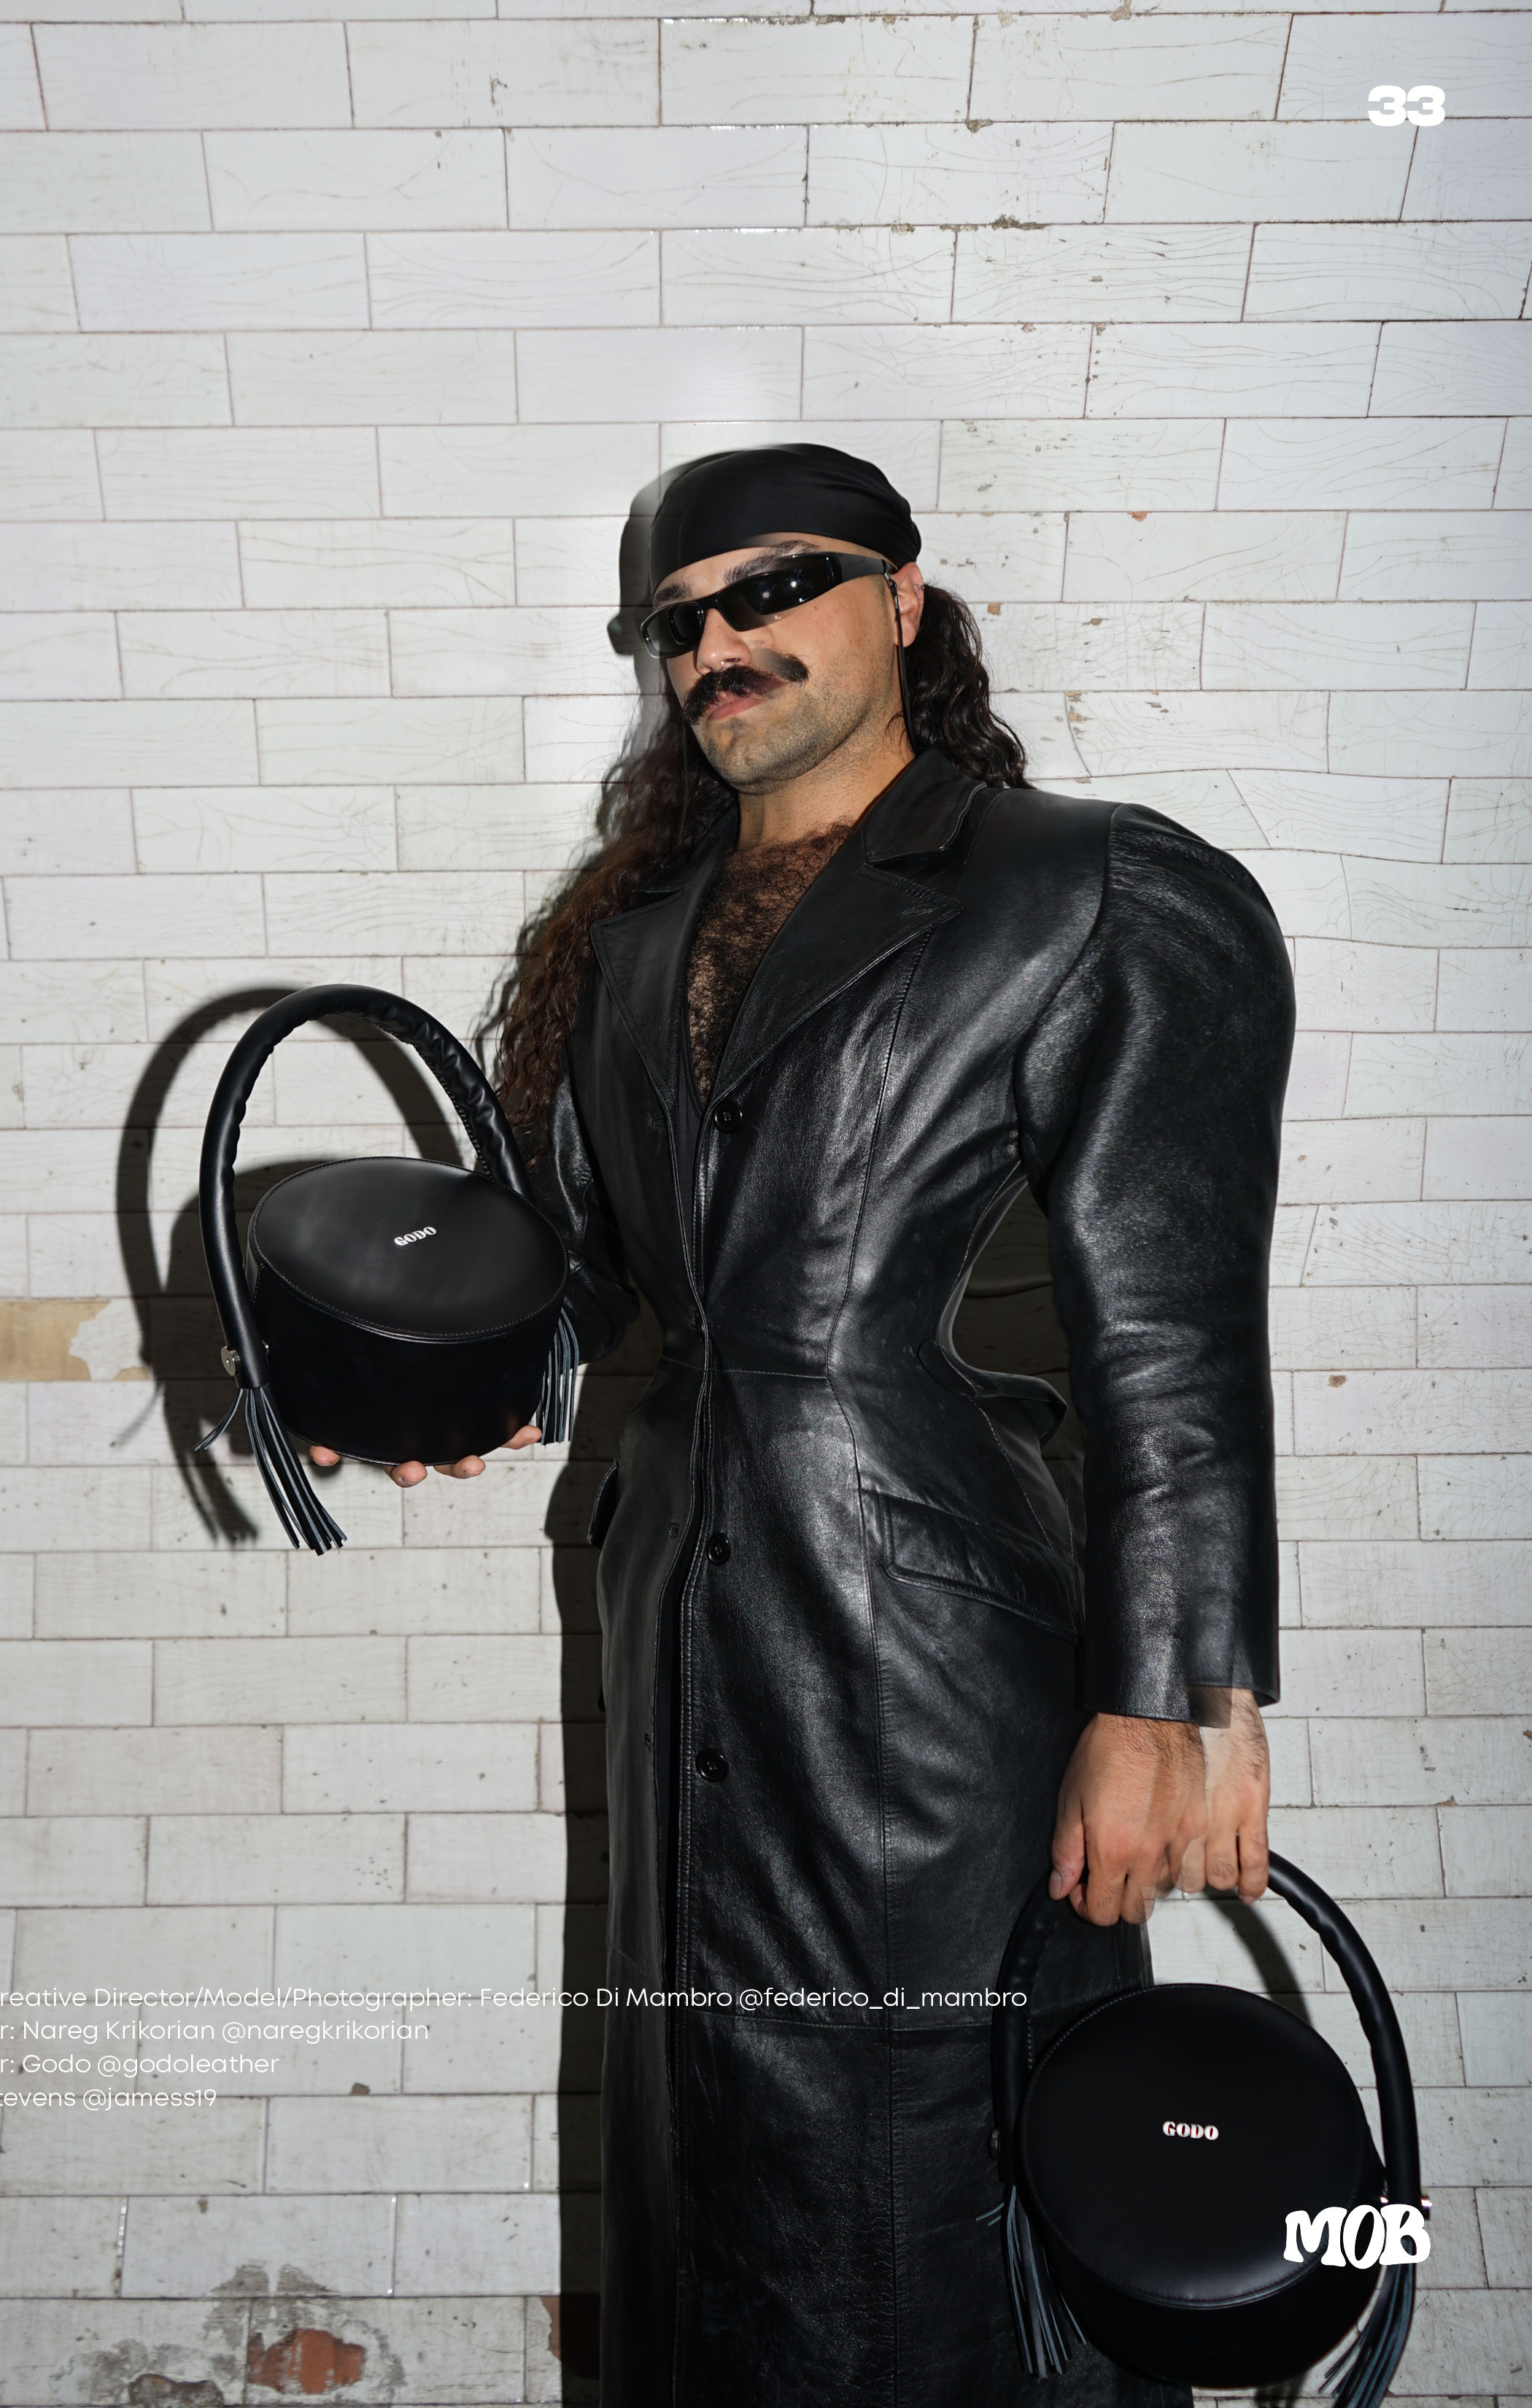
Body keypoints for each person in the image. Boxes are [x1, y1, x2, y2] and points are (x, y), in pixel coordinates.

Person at [323, 442, 1295, 2406]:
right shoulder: (632, 944)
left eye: (776, 589)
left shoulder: (1084, 891)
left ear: (906, 603)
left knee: (942, 2153)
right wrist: (433, 1380)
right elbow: (595, 1282)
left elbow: (1173, 1324)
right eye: (681, 618)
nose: (720, 642)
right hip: (682, 1612)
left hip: (932, 1650)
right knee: (709, 2157)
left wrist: (1170, 1695)